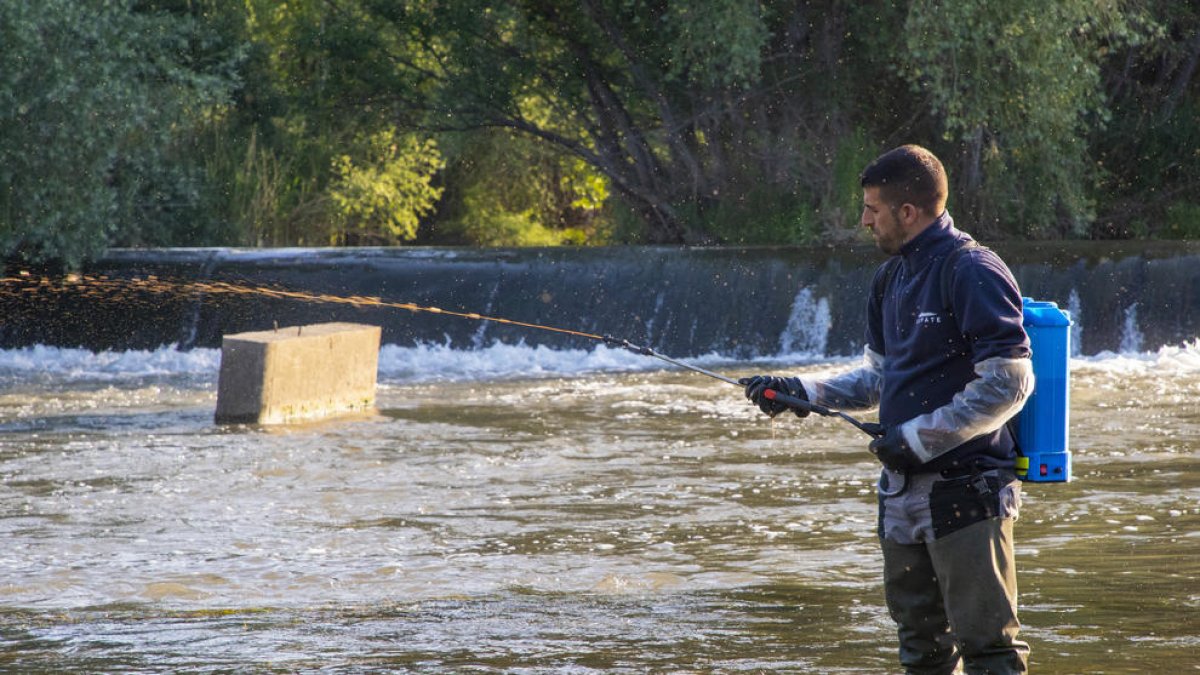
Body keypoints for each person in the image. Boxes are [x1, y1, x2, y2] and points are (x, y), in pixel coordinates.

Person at [744, 144, 1034, 674]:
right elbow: (878, 378)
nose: (863, 221)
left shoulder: (971, 269)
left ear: (908, 212)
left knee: (989, 650)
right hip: (901, 494)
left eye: (872, 209)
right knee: (921, 651)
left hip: (967, 492)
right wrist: (799, 391)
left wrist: (919, 439)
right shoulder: (890, 278)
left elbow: (1011, 384)